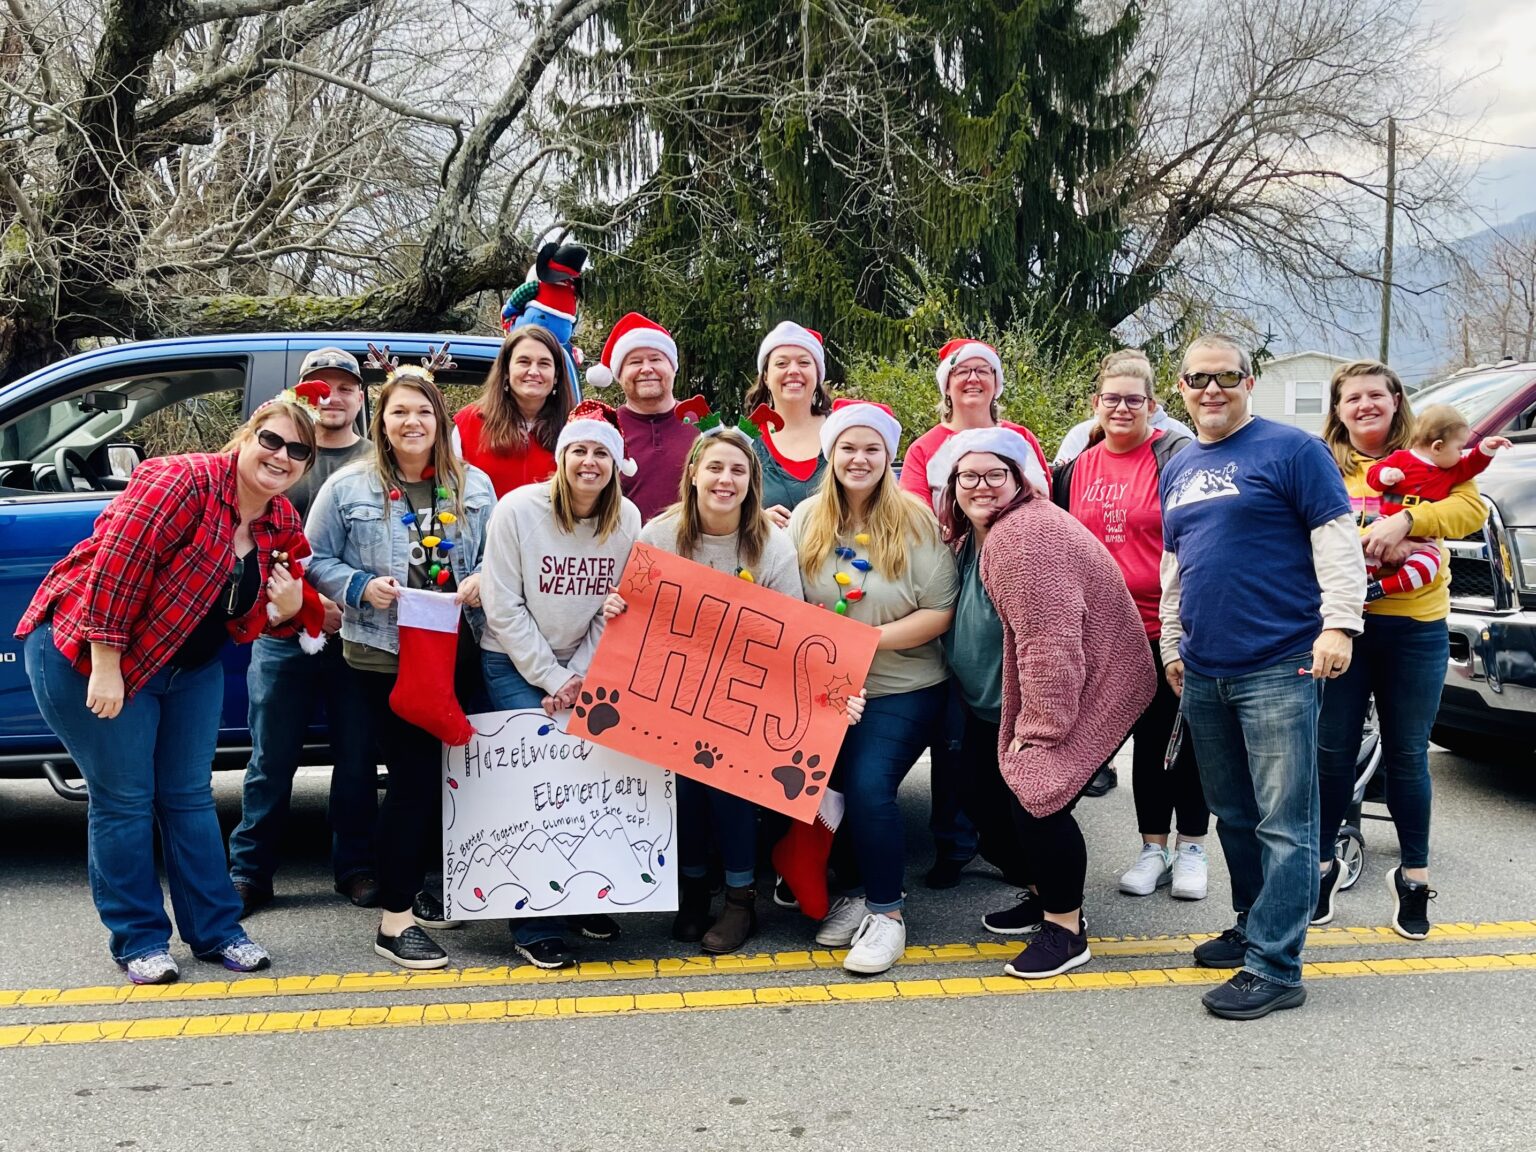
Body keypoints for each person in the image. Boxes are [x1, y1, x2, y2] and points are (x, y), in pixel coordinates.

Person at [18, 392, 321, 984]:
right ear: (246, 436)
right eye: (271, 440)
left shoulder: (279, 519)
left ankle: (217, 931)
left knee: (188, 797)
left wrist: (286, 609)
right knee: (125, 799)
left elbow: (247, 615)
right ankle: (138, 940)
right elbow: (117, 565)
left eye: (298, 451)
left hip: (188, 667)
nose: (281, 456)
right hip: (90, 650)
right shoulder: (183, 481)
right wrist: (107, 662)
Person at [1160, 334, 1366, 1020]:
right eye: (1198, 378)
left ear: (1248, 383)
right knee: (1235, 814)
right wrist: (1172, 644)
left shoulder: (1293, 450)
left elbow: (1336, 537)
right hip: (1205, 669)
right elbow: (1176, 564)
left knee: (1286, 822)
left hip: (1281, 663)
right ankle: (1254, 925)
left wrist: (1340, 625)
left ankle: (1276, 966)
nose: (1211, 389)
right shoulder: (1179, 464)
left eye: (1226, 377)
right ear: (1181, 388)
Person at [938, 427, 1155, 978]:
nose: (981, 485)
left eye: (995, 474)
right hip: (997, 704)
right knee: (980, 795)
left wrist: (1040, 731)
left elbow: (1050, 641)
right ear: (953, 485)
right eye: (968, 476)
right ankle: (1044, 894)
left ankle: (1065, 929)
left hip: (1079, 693)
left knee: (1037, 799)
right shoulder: (974, 535)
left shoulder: (1026, 536)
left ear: (1020, 480)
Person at [306, 348, 496, 971]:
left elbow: (497, 556)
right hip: (382, 656)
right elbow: (312, 558)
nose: (412, 422)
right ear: (381, 421)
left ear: (440, 419)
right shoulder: (348, 486)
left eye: (423, 412)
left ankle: (426, 886)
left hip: (454, 650)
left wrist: (482, 579)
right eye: (399, 412)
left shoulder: (473, 486)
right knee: (412, 782)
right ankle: (395, 922)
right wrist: (360, 586)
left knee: (447, 781)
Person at [603, 427, 803, 953]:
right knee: (685, 783)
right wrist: (618, 607)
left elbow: (790, 632)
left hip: (744, 693)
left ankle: (740, 898)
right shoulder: (659, 536)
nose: (725, 479)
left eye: (738, 470)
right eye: (715, 467)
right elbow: (637, 614)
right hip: (676, 687)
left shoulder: (773, 545)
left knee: (728, 779)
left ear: (751, 482)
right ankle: (693, 888)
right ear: (693, 474)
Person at [1314, 366, 1495, 940]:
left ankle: (1414, 879)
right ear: (1338, 409)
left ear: (1396, 402)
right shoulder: (1323, 463)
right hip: (1343, 628)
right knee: (1331, 753)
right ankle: (1321, 870)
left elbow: (1472, 512)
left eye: (1377, 394)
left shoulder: (1431, 456)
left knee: (1408, 755)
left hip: (1415, 627)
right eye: (1352, 398)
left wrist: (1409, 518)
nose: (1365, 405)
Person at [790, 399, 958, 976]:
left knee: (867, 786)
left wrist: (862, 642)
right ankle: (855, 892)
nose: (859, 459)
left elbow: (940, 611)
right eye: (848, 448)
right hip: (825, 688)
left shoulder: (916, 521)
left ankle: (888, 915)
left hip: (903, 685)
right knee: (815, 786)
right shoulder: (806, 519)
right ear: (830, 454)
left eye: (872, 449)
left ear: (888, 456)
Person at [477, 399, 642, 969]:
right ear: (561, 457)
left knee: (587, 779)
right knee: (538, 779)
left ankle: (578, 898)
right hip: (512, 661)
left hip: (583, 665)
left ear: (615, 463)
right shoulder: (517, 511)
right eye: (579, 450)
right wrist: (552, 677)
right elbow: (502, 605)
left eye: (601, 452)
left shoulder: (627, 520)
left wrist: (579, 678)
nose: (589, 462)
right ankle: (534, 923)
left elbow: (614, 606)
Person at [1052, 349, 1209, 900]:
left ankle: (1191, 848)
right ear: (1095, 403)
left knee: (1177, 741)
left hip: (1165, 626)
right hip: (1102, 632)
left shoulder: (1174, 459)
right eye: (1111, 399)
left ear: (1152, 405)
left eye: (1133, 400)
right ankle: (1152, 849)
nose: (1122, 408)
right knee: (1138, 745)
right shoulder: (1074, 469)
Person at [228, 348, 380, 916]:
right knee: (270, 759)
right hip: (279, 635)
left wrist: (344, 604)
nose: (332, 398)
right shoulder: (276, 457)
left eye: (345, 387)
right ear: (300, 394)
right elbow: (255, 546)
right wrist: (313, 607)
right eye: (320, 388)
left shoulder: (378, 460)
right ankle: (249, 872)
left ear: (360, 398)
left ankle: (356, 866)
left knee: (358, 757)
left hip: (358, 637)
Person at [896, 337, 1048, 885]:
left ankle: (1022, 841)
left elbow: (1041, 503)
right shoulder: (925, 448)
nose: (973, 379)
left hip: (1012, 581)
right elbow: (916, 518)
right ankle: (955, 841)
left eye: (984, 370)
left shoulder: (1019, 438)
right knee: (957, 732)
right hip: (952, 582)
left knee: (1012, 715)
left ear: (997, 383)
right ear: (947, 385)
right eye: (962, 372)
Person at [1361, 403, 1509, 602]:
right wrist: (1386, 474)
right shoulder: (1400, 459)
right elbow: (1373, 475)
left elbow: (1472, 465)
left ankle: (1379, 589)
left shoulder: (1451, 471)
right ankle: (1360, 587)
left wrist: (1485, 449)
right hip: (1383, 524)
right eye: (1459, 448)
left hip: (1423, 540)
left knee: (1428, 567)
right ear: (1437, 446)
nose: (1461, 455)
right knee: (1363, 554)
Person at [584, 311, 698, 522]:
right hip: (623, 542)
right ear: (619, 375)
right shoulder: (603, 429)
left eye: (655, 359)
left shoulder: (703, 424)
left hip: (693, 542)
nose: (646, 369)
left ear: (673, 368)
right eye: (635, 362)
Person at [453, 325, 575, 497]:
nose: (534, 371)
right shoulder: (468, 424)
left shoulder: (574, 428)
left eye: (544, 363)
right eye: (524, 362)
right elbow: (449, 492)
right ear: (506, 371)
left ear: (556, 376)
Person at [746, 321, 831, 527]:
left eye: (804, 363)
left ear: (818, 374)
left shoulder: (842, 433)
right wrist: (755, 520)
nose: (793, 370)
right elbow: (719, 505)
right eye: (782, 364)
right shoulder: (745, 439)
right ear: (766, 377)